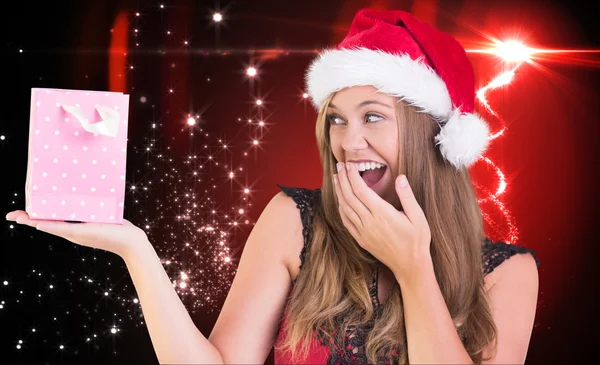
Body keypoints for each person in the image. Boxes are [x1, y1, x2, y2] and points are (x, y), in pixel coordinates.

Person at [6, 8, 540, 365]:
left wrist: (413, 269)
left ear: (433, 136)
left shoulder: (510, 274)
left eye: (373, 117)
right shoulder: (294, 221)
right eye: (336, 119)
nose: (349, 142)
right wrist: (134, 249)